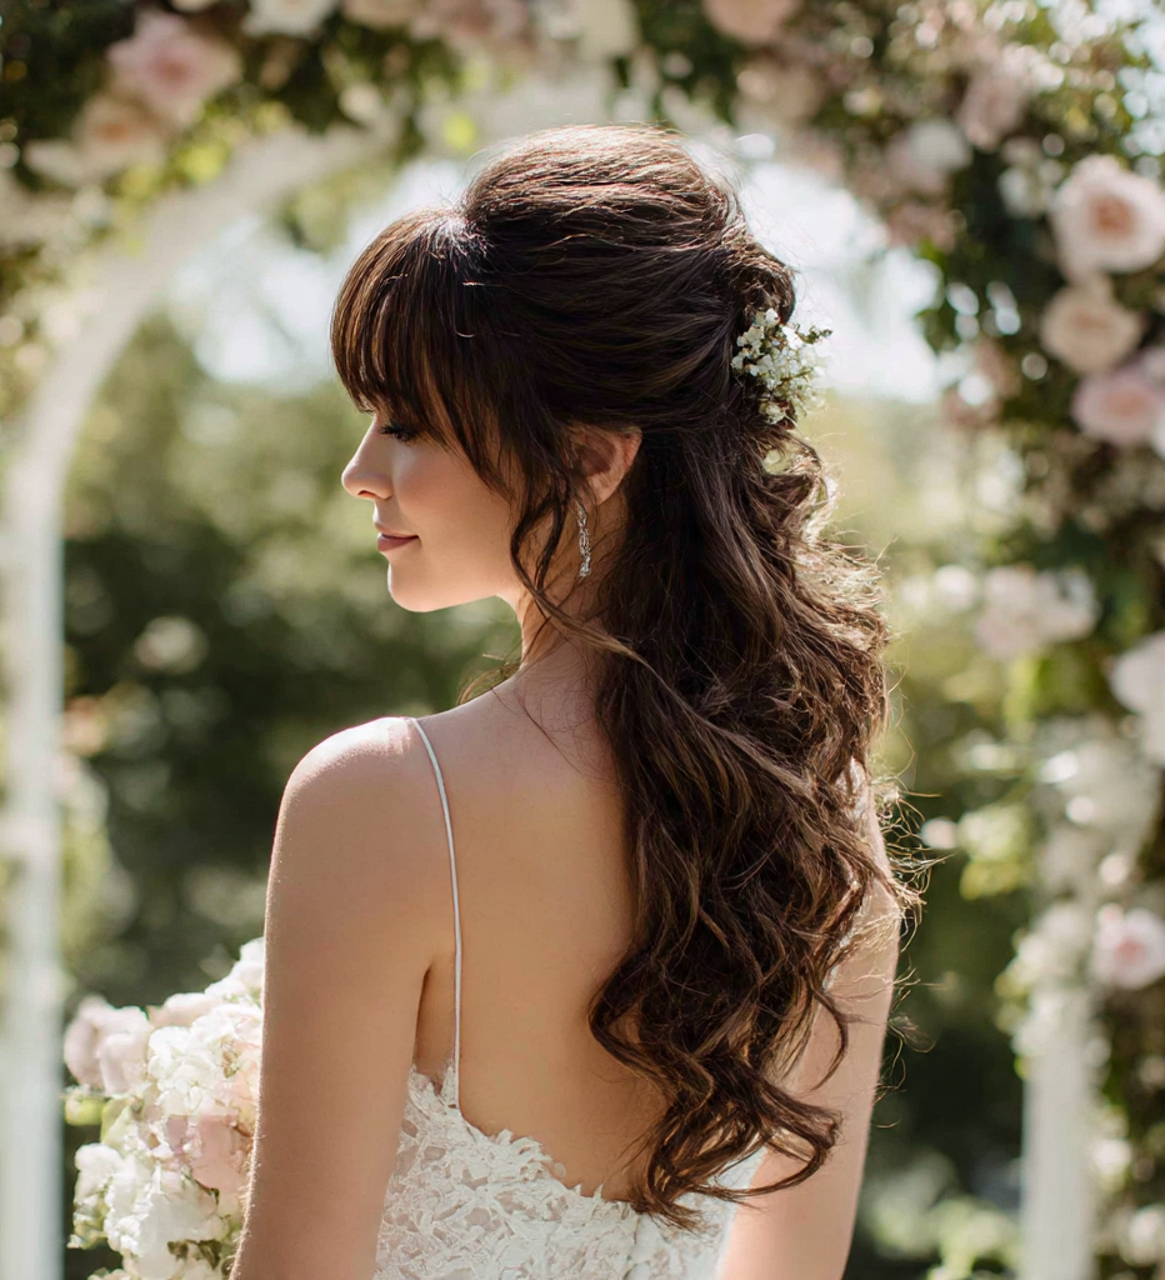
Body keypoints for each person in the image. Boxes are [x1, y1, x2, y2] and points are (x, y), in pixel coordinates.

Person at [230, 122, 916, 1280]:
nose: (360, 469)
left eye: (407, 421)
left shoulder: (383, 800)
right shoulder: (822, 821)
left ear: (592, 457)